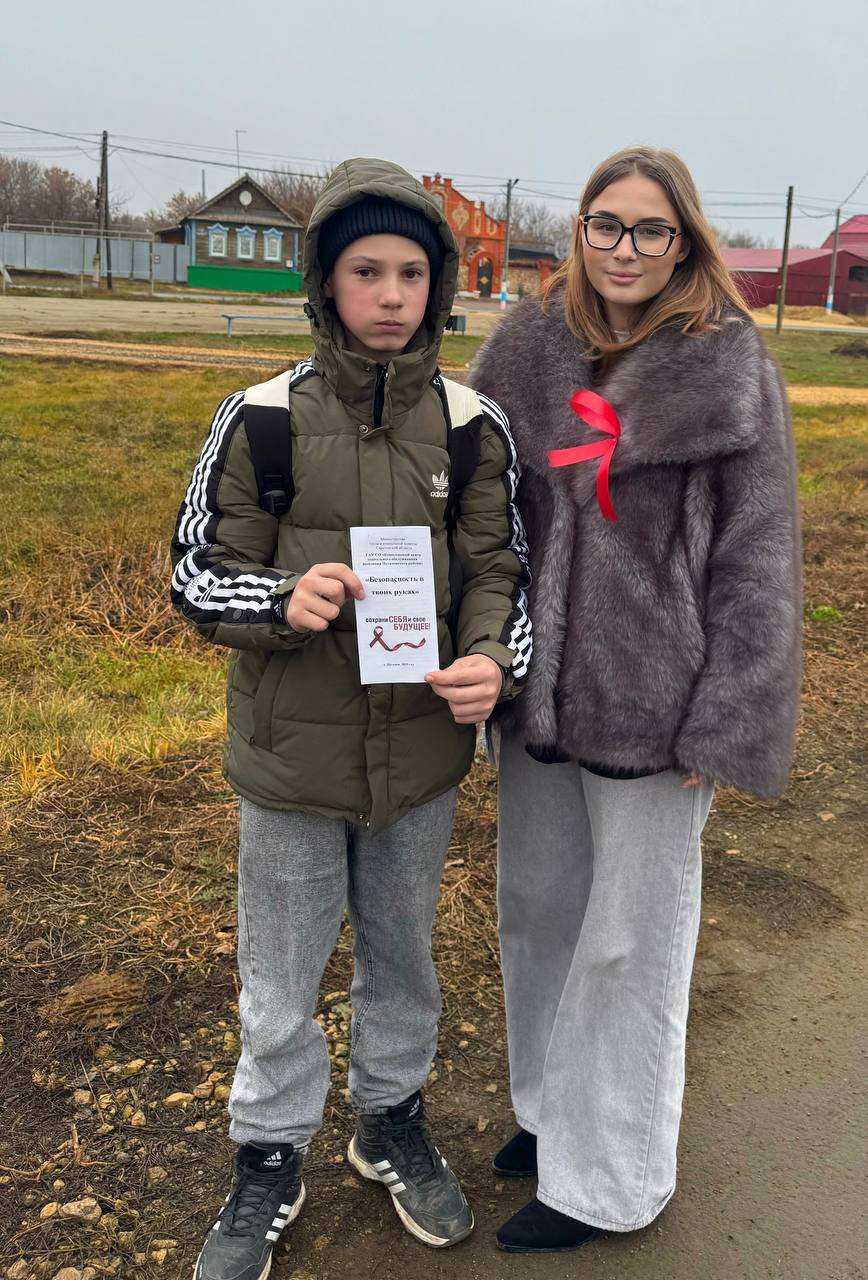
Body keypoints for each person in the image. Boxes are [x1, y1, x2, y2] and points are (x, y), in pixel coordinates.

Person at [171, 157, 531, 1280]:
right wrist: (283, 600)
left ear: (438, 285)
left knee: (403, 959)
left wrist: (490, 662)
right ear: (325, 282)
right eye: (365, 270)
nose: (390, 295)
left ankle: (388, 1121)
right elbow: (195, 572)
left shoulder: (473, 426)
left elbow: (501, 571)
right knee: (281, 977)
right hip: (290, 765)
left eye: (410, 273)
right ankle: (268, 1154)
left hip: (419, 762)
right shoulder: (260, 420)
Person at [469, 146, 800, 1253]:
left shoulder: (728, 366)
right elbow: (476, 514)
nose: (624, 248)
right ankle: (548, 1111)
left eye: (650, 229)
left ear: (684, 241)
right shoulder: (522, 348)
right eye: (605, 224)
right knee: (538, 910)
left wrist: (728, 710)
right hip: (537, 693)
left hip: (661, 708)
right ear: (580, 229)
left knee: (629, 939)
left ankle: (609, 1175)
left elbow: (758, 556)